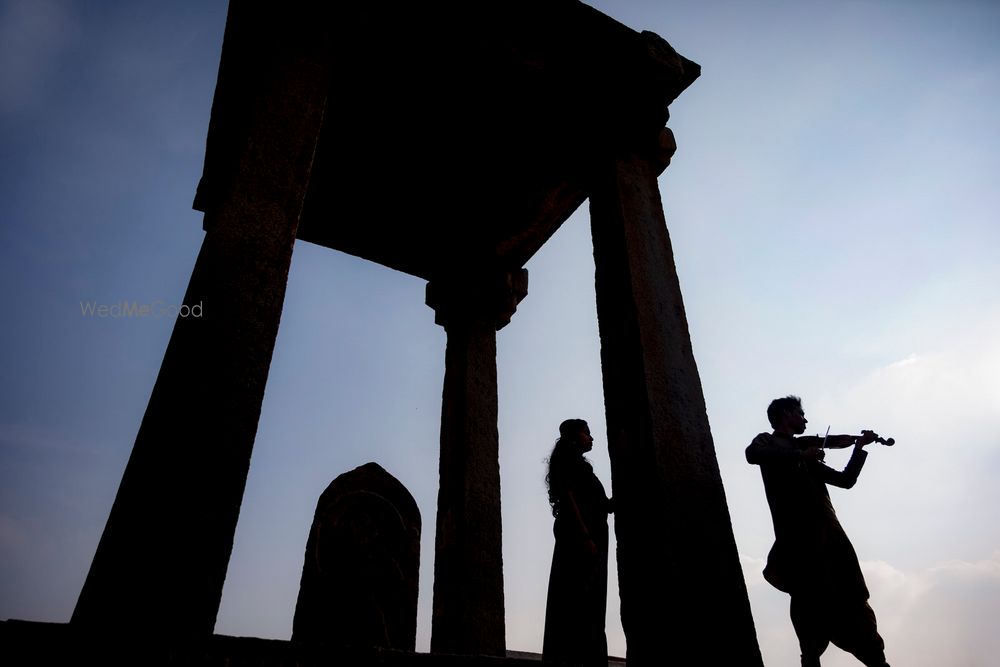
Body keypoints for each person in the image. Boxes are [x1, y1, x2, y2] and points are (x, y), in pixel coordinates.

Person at [746, 395, 890, 667]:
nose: (805, 420)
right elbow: (752, 455)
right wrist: (800, 454)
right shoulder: (769, 442)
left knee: (855, 605)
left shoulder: (808, 458)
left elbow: (846, 480)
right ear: (787, 413)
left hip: (832, 541)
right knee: (809, 613)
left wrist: (858, 447)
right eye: (801, 414)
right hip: (799, 543)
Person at [542, 419, 614, 666]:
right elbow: (570, 499)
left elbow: (602, 504)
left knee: (592, 600)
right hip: (581, 537)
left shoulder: (582, 467)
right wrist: (584, 536)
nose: (591, 438)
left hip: (592, 534)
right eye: (587, 433)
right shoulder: (569, 463)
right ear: (574, 436)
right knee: (580, 599)